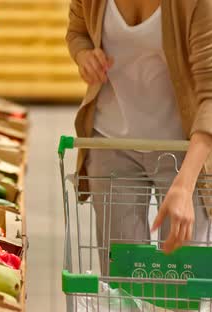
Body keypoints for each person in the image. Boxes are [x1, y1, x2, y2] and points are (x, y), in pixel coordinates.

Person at [66, 0, 212, 271]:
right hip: (111, 144)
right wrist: (84, 55)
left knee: (184, 283)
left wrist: (186, 184)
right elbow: (77, 32)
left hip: (184, 150)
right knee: (123, 283)